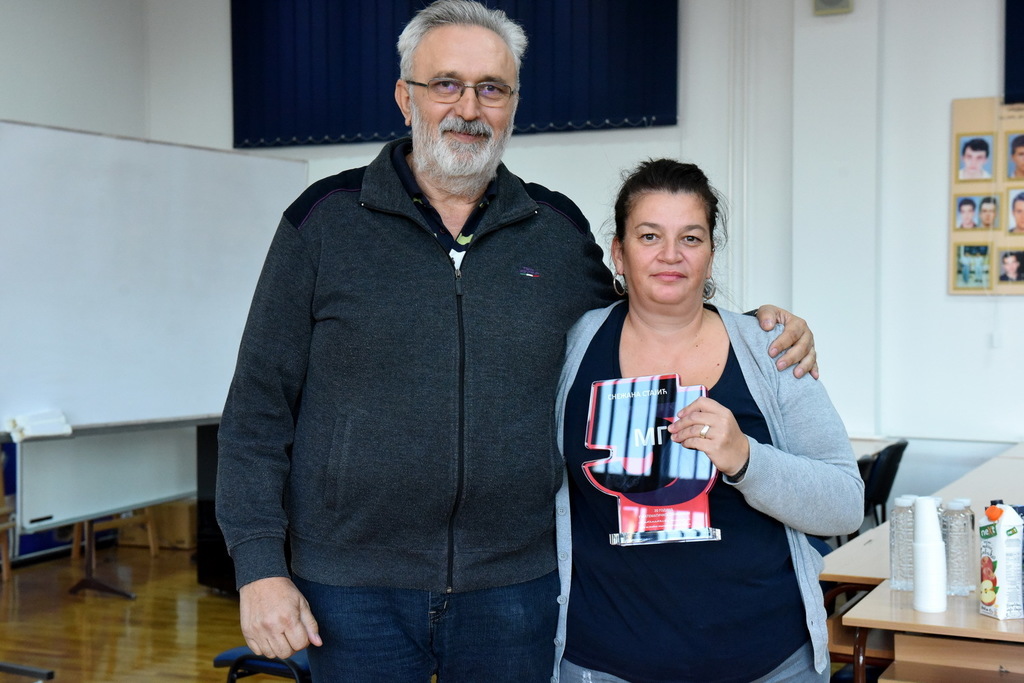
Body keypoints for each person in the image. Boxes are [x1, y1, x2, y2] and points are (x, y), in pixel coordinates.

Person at [216, 2, 818, 681]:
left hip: (517, 586)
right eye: (446, 84)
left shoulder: (555, 232)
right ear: (405, 97)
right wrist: (258, 566)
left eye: (492, 89)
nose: (468, 108)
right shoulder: (322, 225)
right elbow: (257, 411)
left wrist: (752, 325)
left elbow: (645, 318)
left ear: (513, 106)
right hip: (352, 589)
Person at [553, 159, 863, 682]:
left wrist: (747, 459)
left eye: (691, 238)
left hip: (769, 664)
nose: (671, 255)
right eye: (650, 236)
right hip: (605, 664)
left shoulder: (771, 349)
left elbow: (845, 506)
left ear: (711, 255)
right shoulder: (570, 346)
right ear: (618, 253)